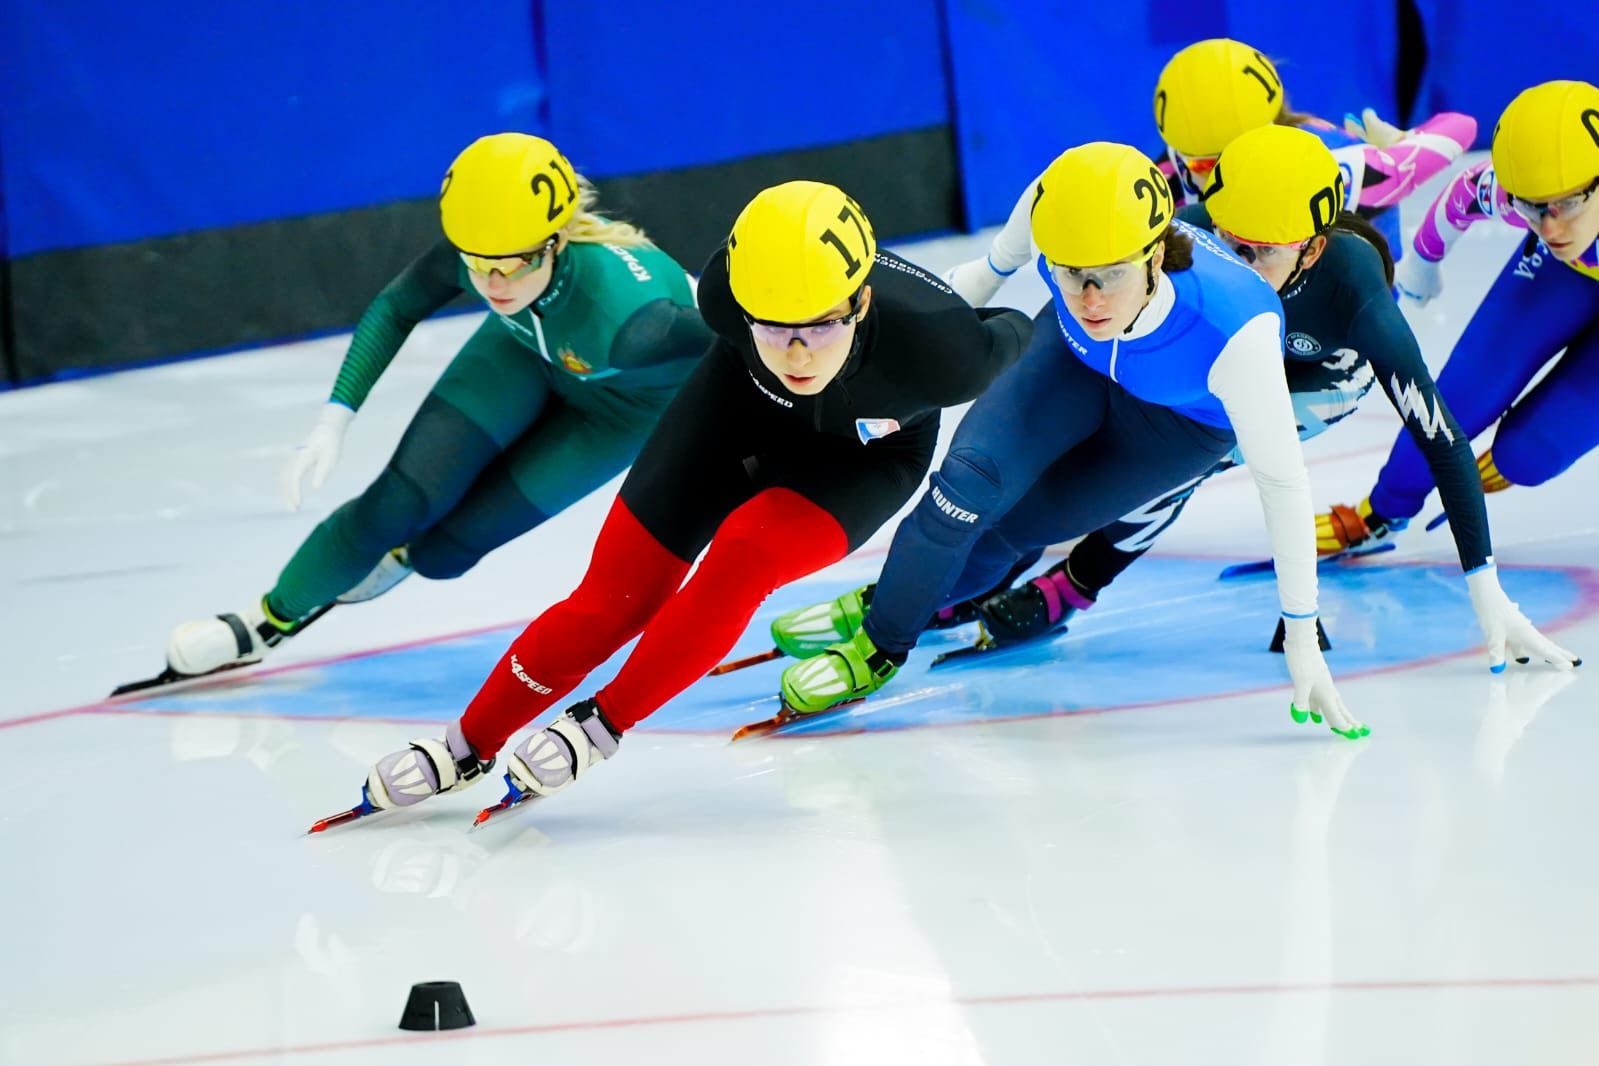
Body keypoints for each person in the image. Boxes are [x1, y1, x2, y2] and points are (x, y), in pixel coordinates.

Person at [348, 180, 1031, 815]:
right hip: (733, 412)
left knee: (744, 554)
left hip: (861, 461)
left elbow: (1023, 329)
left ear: (860, 302)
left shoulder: (947, 354)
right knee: (611, 598)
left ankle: (602, 724)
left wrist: (994, 271)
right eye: (772, 327)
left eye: (819, 326)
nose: (796, 354)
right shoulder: (724, 297)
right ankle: (465, 744)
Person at [779, 142, 1367, 739]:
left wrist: (1301, 633)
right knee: (966, 487)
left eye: (1110, 275)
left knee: (1015, 530)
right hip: (1075, 361)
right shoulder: (1052, 217)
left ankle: (904, 596)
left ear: (1156, 255)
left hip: (1175, 426)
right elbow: (1018, 228)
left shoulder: (1238, 325)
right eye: (1070, 274)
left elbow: (1283, 482)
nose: (1090, 298)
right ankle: (883, 640)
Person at [962, 125, 1579, 674]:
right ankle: (995, 554)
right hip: (1245, 344)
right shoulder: (1202, 227)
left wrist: (1486, 586)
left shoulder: (1357, 299)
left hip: (1322, 375)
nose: (1232, 262)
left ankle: (1078, 583)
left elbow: (1441, 441)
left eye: (1257, 253)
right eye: (1226, 241)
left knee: (1191, 455)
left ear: (1311, 248)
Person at [157, 133, 711, 684]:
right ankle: (262, 623)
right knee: (392, 504)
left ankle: (399, 557)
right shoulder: (487, 245)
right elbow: (396, 306)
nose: (492, 282)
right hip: (521, 354)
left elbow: (750, 338)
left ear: (555, 241)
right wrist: (335, 418)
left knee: (446, 552)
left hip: (621, 411)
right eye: (477, 263)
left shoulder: (633, 321)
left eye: (512, 266)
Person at [946, 37, 1474, 309]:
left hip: (1346, 312)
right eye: (1197, 163)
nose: (1210, 179)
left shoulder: (1338, 166)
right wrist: (991, 272)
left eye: (1221, 162)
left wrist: (1405, 146)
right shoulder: (1174, 177)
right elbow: (1060, 189)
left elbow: (1462, 128)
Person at [1321, 80, 1599, 577]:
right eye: (1532, 207)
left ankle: (1521, 457)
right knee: (1459, 397)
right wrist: (1423, 266)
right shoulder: (1526, 200)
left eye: (1566, 204)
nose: (1550, 227)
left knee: (1528, 455)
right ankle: (1382, 512)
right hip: (1569, 273)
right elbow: (1462, 195)